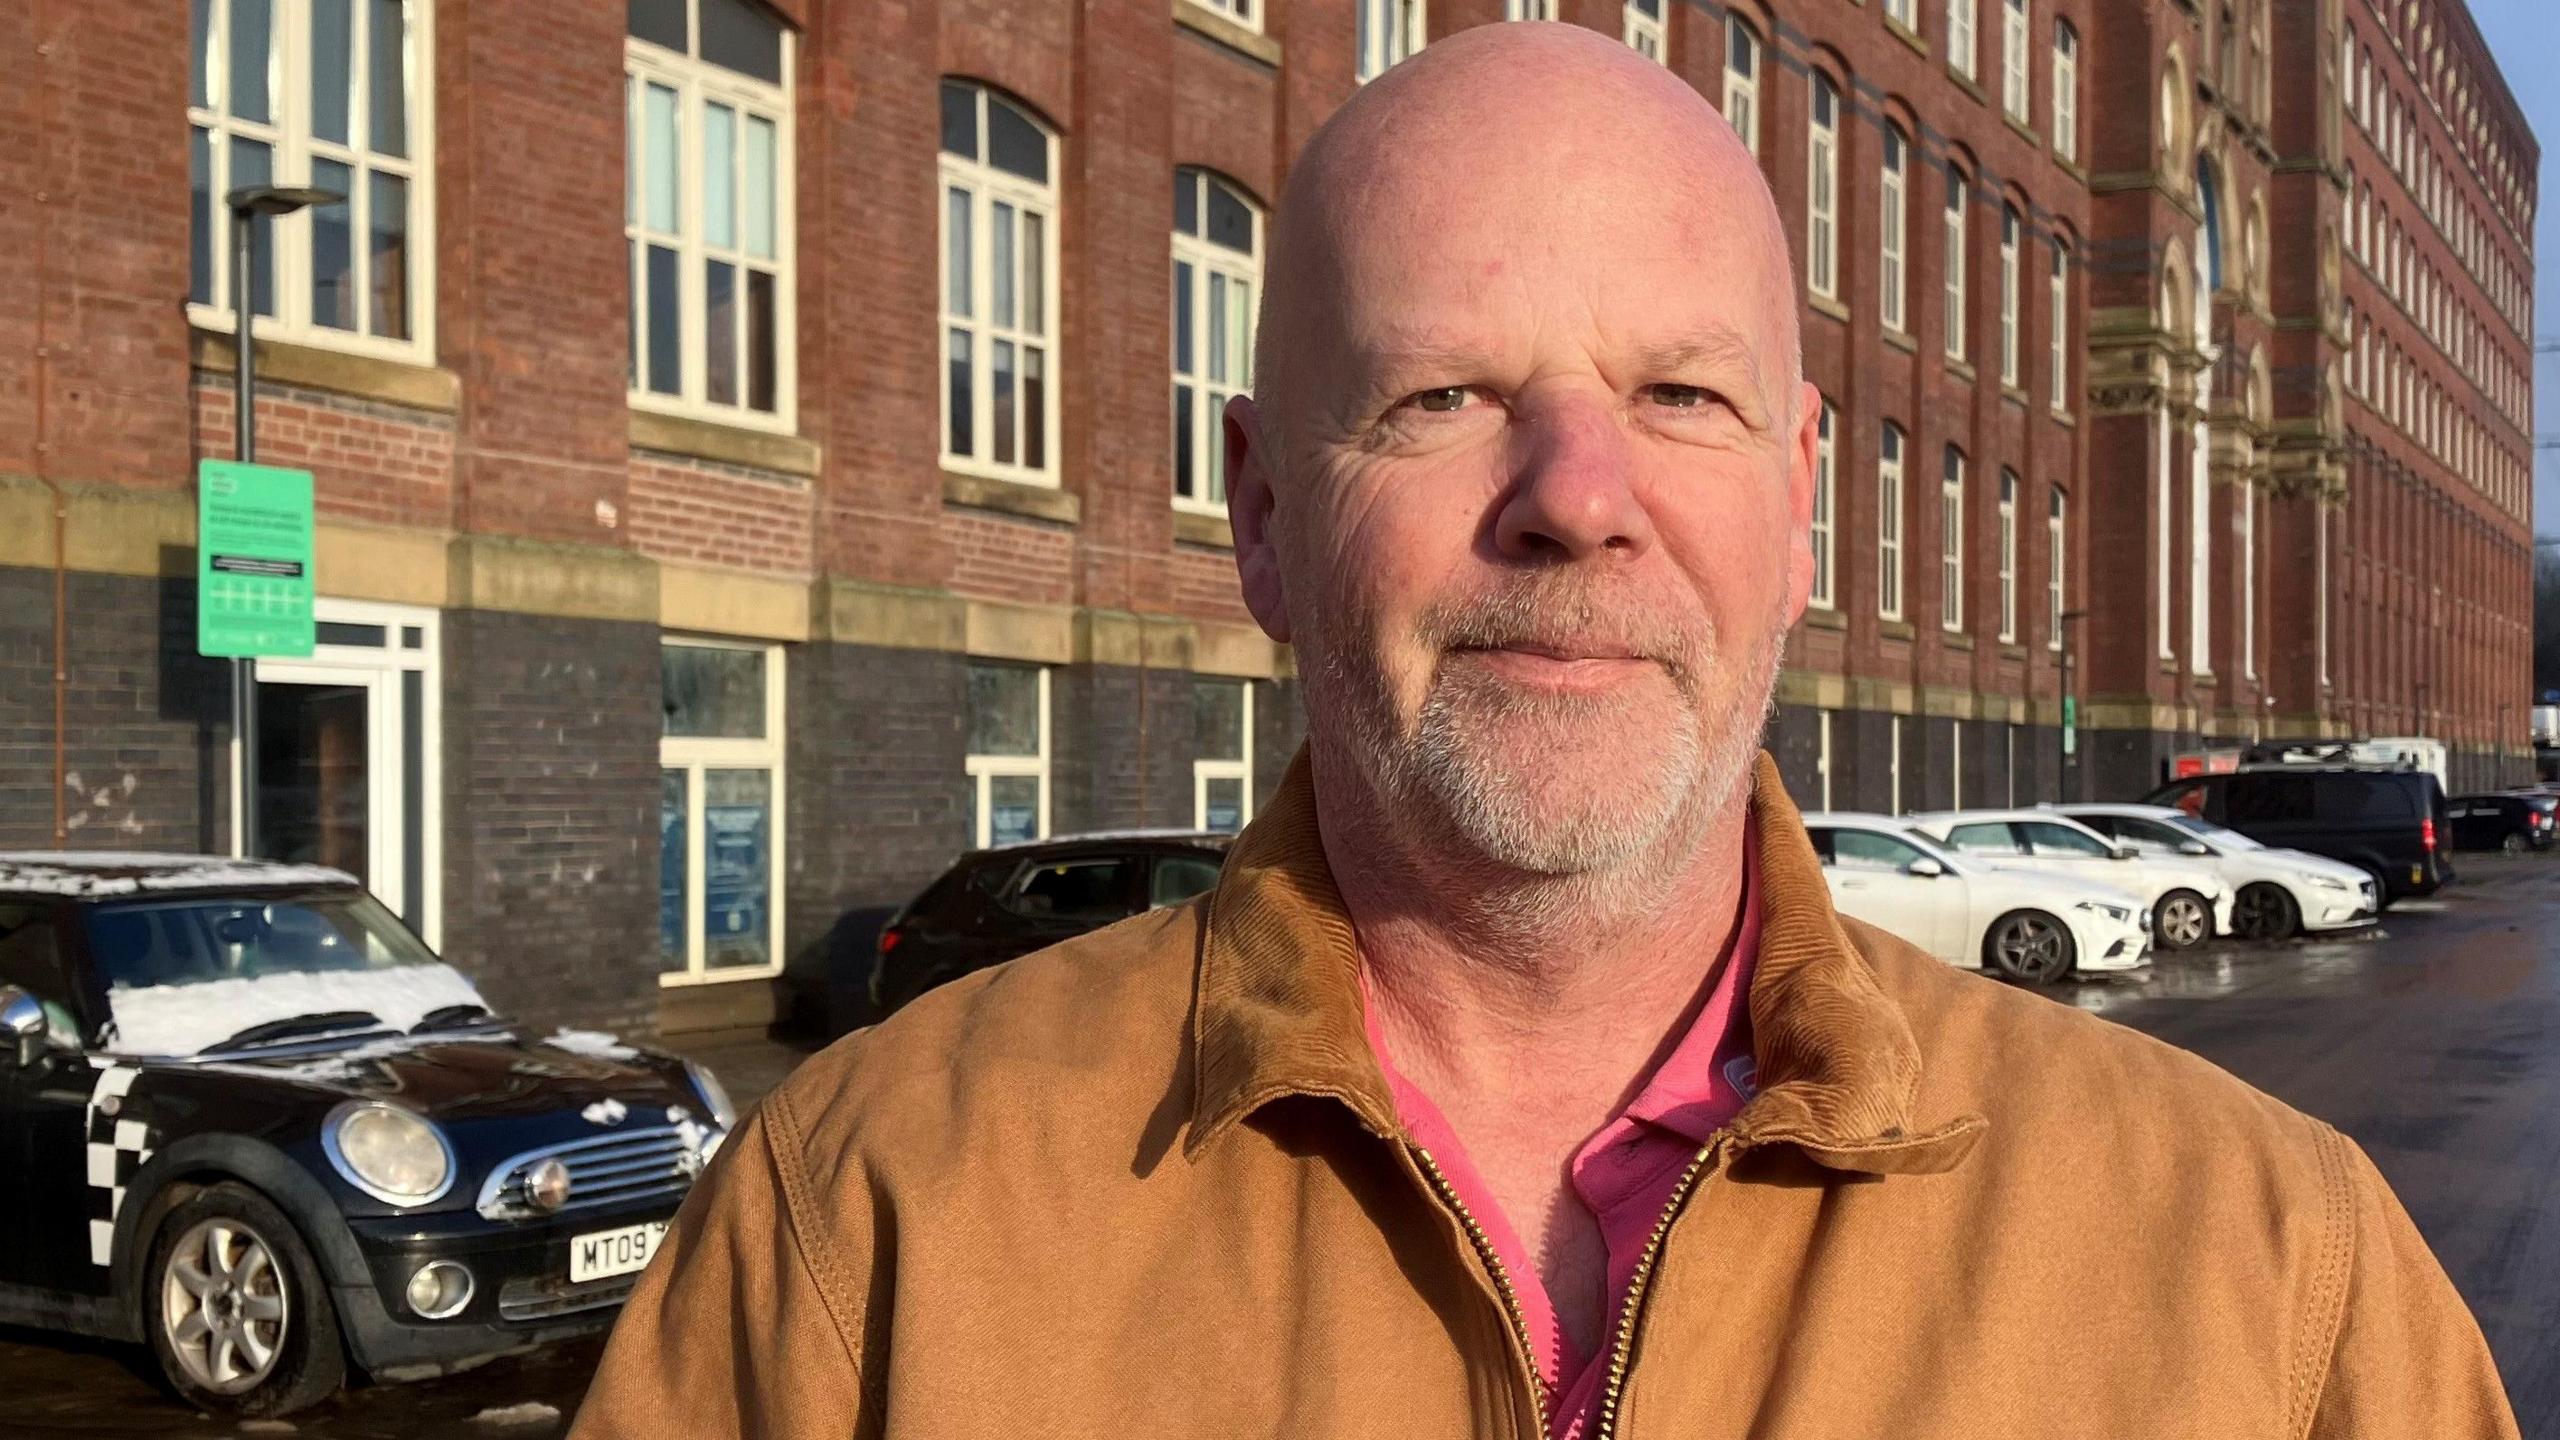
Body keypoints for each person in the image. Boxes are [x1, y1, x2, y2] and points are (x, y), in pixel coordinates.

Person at [571, 23, 2518, 1440]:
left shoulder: (2270, 1284)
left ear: (1795, 507)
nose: (1574, 496)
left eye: (1676, 394)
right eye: (1436, 396)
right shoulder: (865, 1234)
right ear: (1256, 509)